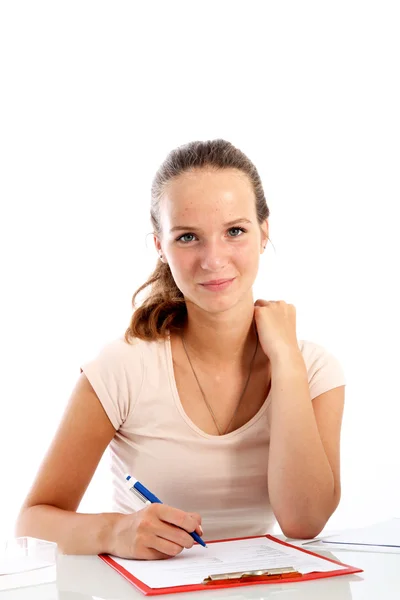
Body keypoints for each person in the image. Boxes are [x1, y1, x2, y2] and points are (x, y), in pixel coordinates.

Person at [16, 139, 345, 560]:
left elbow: (305, 522)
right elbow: (32, 522)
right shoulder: (123, 368)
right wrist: (116, 532)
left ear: (264, 232)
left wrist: (286, 362)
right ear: (159, 245)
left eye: (235, 231)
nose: (213, 259)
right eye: (188, 237)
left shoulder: (314, 369)